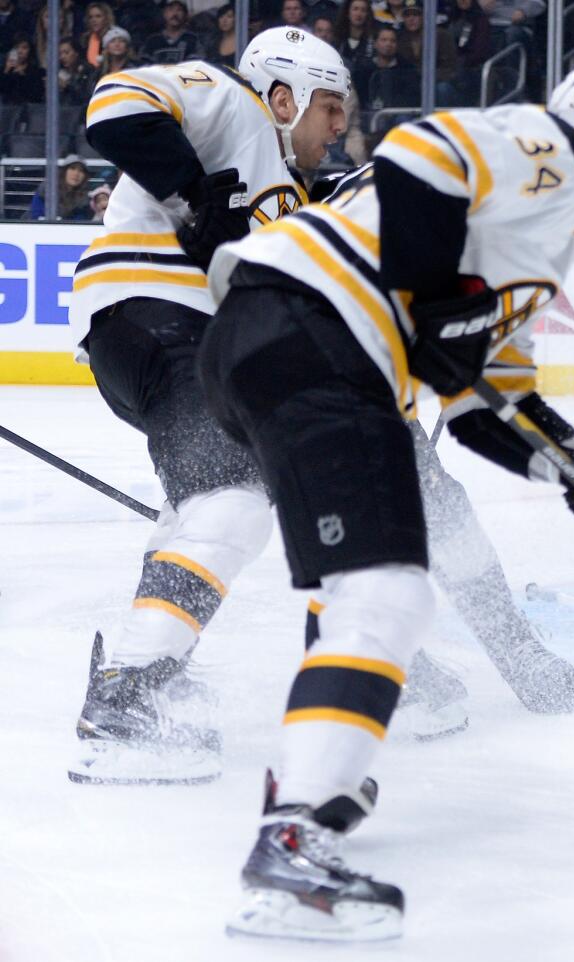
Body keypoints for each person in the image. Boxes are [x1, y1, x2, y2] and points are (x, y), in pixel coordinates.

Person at [197, 58, 574, 941]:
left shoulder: (538, 238)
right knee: (389, 594)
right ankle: (296, 840)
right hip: (317, 333)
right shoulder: (551, 154)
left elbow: (494, 402)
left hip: (264, 344)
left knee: (351, 594)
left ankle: (314, 780)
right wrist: (434, 302)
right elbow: (424, 151)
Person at [64, 28, 350, 787]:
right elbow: (116, 102)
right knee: (233, 499)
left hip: (179, 341)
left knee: (209, 498)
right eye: (329, 107)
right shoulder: (233, 105)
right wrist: (193, 198)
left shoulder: (288, 200)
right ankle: (127, 695)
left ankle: (154, 665)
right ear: (283, 96)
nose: (339, 126)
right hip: (157, 316)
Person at [394, 0, 456, 105]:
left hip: (436, 84)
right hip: (409, 89)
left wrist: (426, 78)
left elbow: (450, 68)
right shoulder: (398, 39)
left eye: (416, 14)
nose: (411, 19)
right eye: (407, 15)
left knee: (443, 89)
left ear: (424, 16)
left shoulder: (442, 35)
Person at [28, 155, 93, 220]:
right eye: (72, 168)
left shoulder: (85, 198)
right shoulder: (46, 189)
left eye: (81, 171)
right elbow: (35, 215)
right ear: (64, 171)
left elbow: (80, 221)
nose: (76, 174)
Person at [0, 34, 43, 102]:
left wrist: (22, 74)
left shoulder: (36, 71)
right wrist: (6, 71)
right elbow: (2, 90)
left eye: (24, 48)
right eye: (17, 47)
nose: (20, 51)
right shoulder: (5, 70)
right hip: (8, 110)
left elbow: (35, 95)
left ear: (30, 51)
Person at [56, 37, 95, 104]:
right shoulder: (59, 72)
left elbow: (87, 95)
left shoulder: (88, 70)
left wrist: (67, 86)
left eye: (66, 53)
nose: (62, 57)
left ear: (76, 53)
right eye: (60, 54)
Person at [80, 1, 114, 66]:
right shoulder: (85, 39)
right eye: (90, 17)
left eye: (98, 16)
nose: (94, 20)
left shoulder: (115, 38)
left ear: (106, 18)